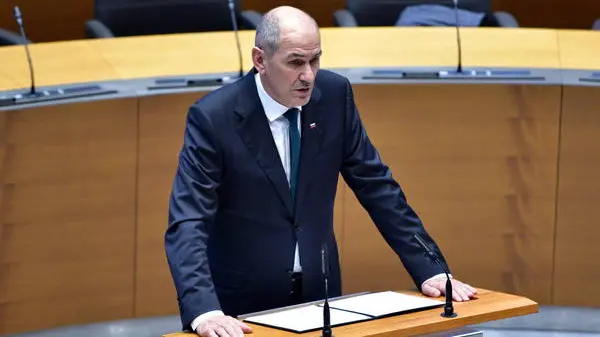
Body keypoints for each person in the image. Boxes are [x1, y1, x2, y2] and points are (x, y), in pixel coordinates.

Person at [165, 6, 477, 337]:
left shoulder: (333, 95)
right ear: (260, 60)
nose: (309, 75)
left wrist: (430, 269)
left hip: (320, 293)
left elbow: (378, 187)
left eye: (315, 60)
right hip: (240, 303)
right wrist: (204, 309)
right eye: (295, 62)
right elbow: (188, 219)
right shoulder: (214, 117)